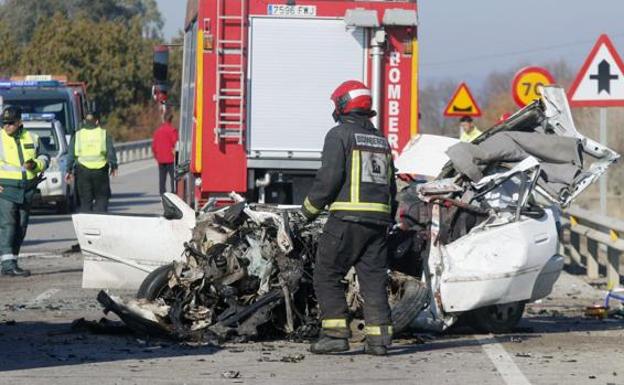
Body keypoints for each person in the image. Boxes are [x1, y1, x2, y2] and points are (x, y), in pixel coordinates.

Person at [301, 80, 397, 356]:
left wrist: (307, 211)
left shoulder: (339, 135)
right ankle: (379, 340)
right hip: (378, 224)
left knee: (326, 273)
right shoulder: (381, 140)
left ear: (343, 105)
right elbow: (391, 187)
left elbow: (328, 180)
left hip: (346, 220)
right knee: (373, 279)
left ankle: (334, 335)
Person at [0, 106, 50, 277]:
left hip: (27, 190)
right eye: (4, 123)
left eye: (11, 123)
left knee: (21, 227)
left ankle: (12, 261)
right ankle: (7, 265)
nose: (7, 126)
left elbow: (45, 157)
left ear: (19, 122)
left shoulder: (32, 137)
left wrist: (36, 165)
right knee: (8, 225)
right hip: (5, 190)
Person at [65, 113, 118, 213]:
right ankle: (101, 221)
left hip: (82, 171)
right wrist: (113, 165)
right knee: (102, 198)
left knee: (85, 200)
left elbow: (71, 154)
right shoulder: (103, 133)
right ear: (97, 121)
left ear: (84, 121)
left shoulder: (78, 135)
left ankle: (87, 224)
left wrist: (69, 170)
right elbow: (110, 151)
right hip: (100, 170)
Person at [151, 112, 178, 195]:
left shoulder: (158, 131)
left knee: (162, 177)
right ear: (171, 120)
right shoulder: (172, 130)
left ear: (164, 119)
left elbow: (154, 146)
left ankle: (162, 193)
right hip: (170, 158)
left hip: (161, 158)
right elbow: (176, 143)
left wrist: (157, 156)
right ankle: (174, 192)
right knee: (173, 177)